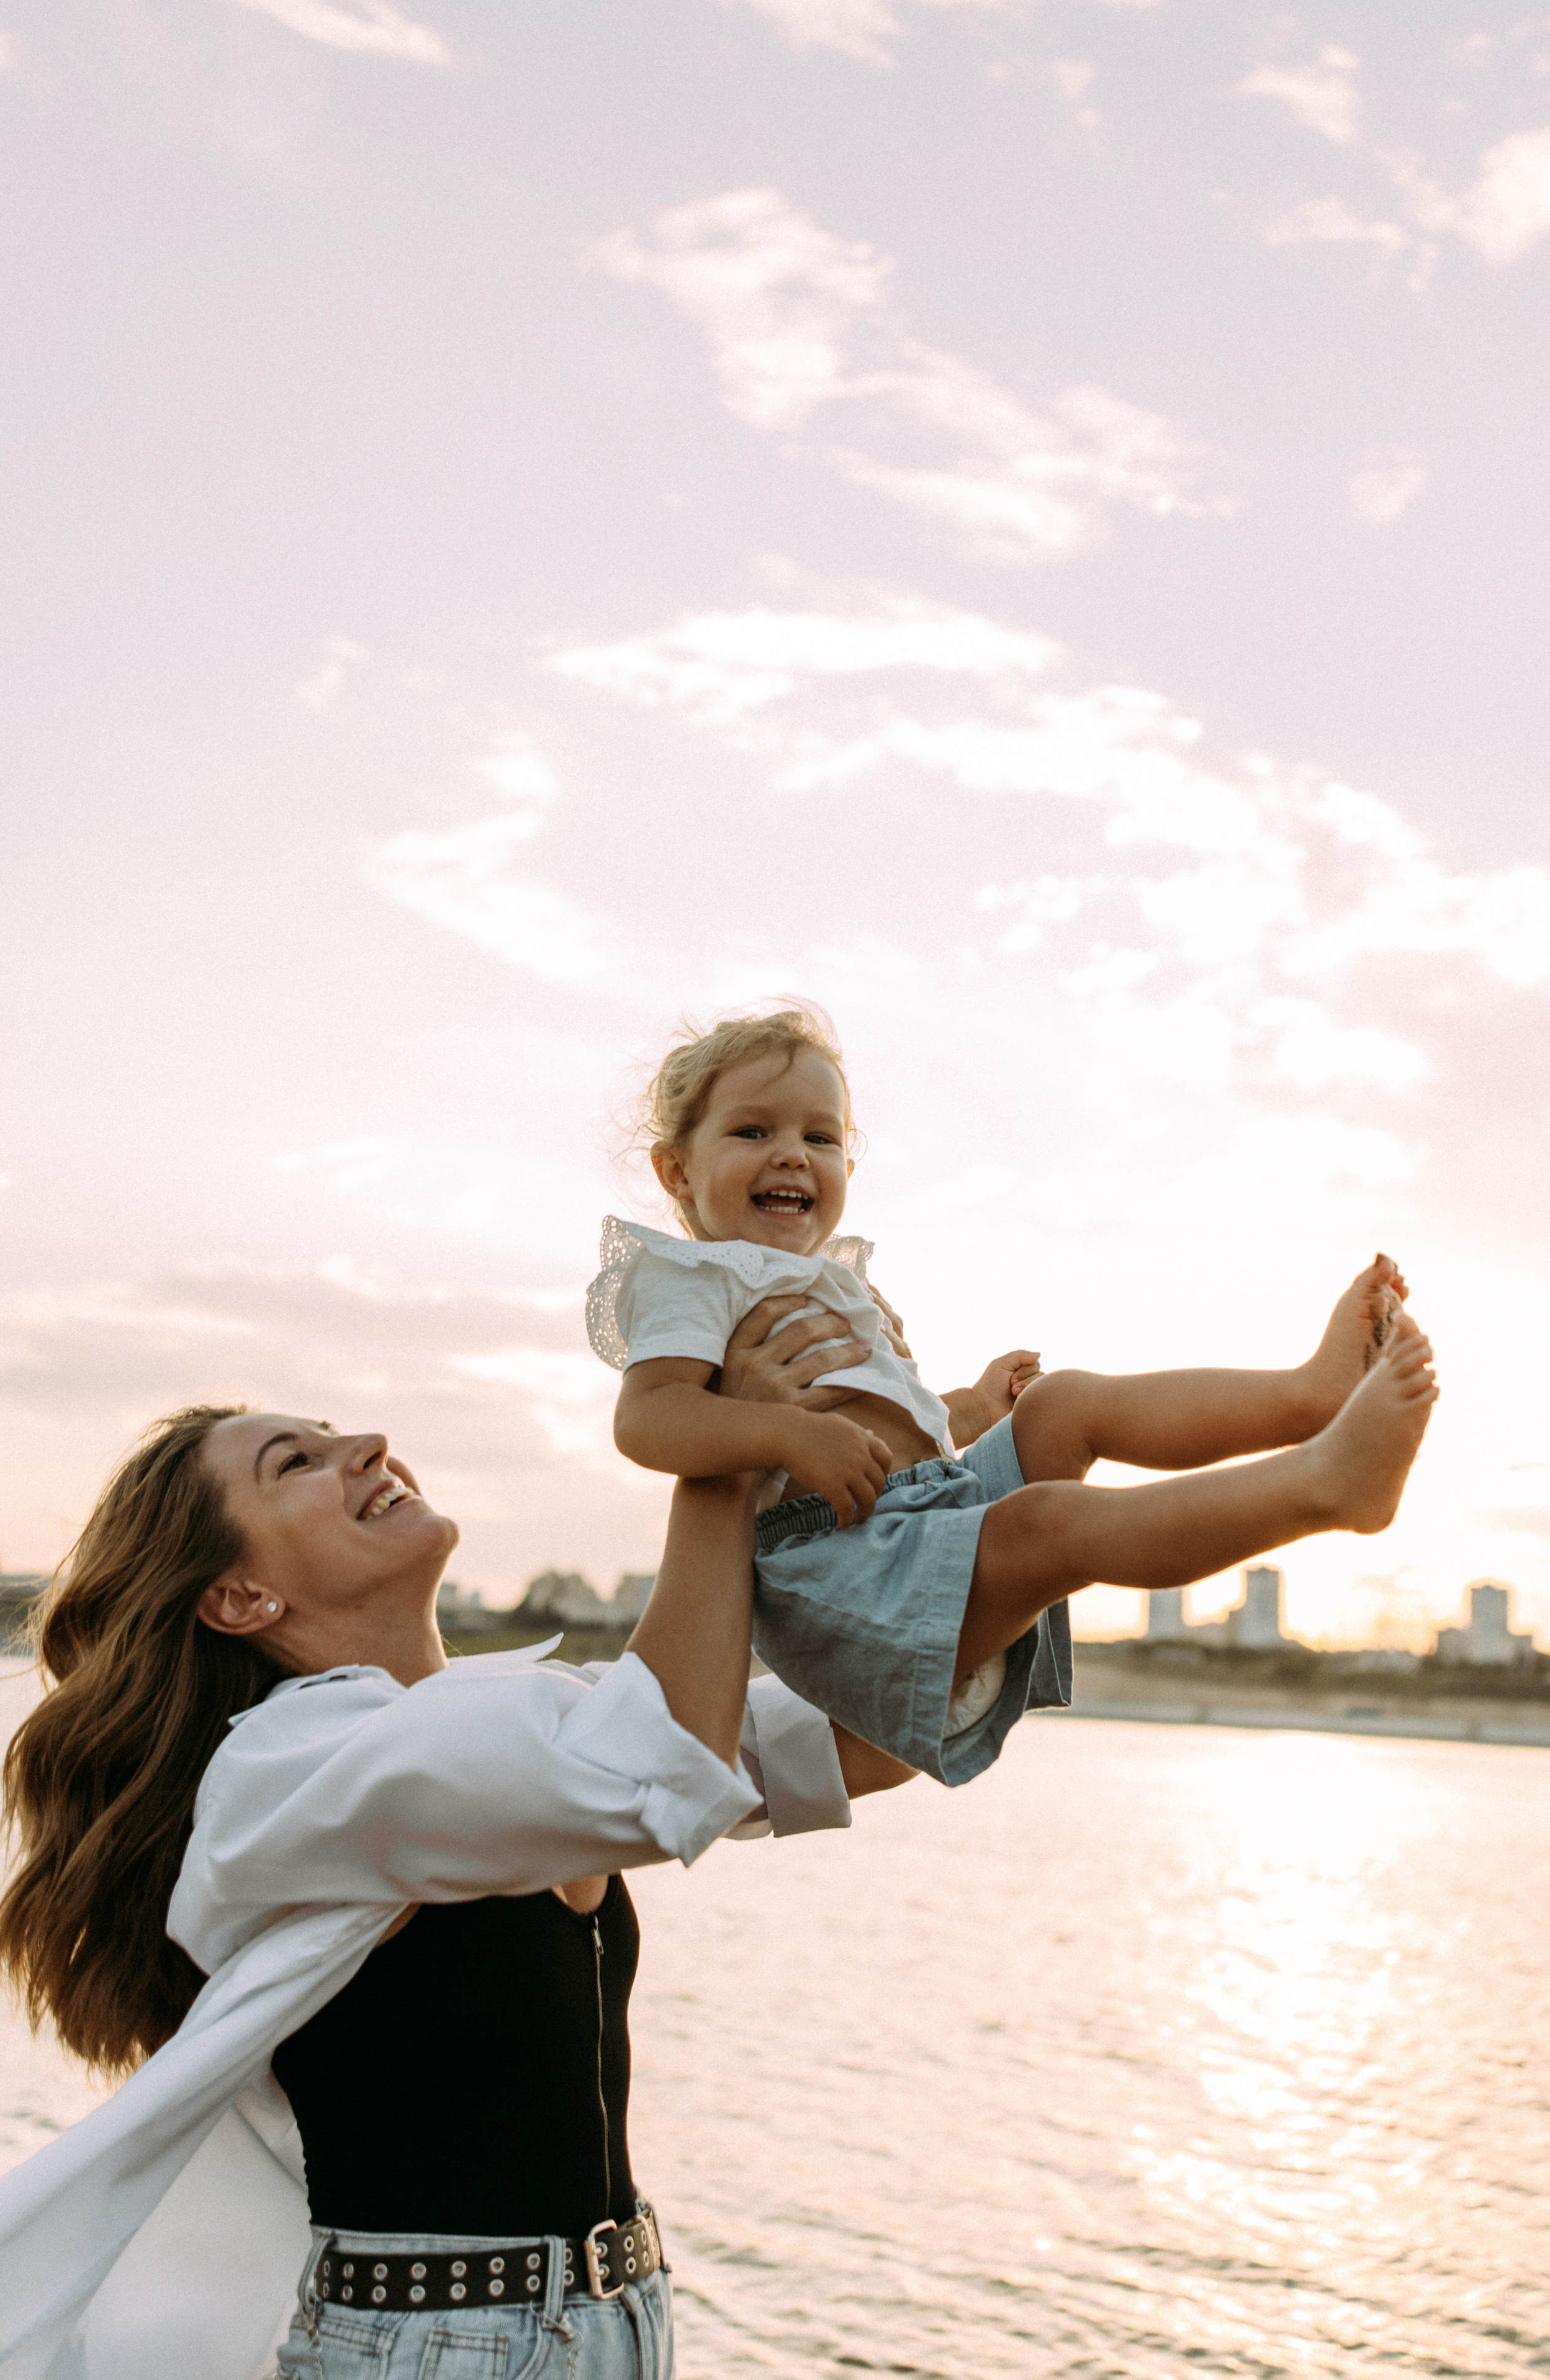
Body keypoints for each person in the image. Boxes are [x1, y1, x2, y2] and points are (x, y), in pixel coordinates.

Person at [0, 1303, 909, 2380]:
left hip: (619, 2325)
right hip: (436, 2346)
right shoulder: (281, 1773)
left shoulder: (521, 1719)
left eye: (336, 1431)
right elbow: (658, 1760)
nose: (368, 1445)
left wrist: (941, 1462)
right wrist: (717, 1450)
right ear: (241, 1596)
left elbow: (874, 1737)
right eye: (298, 1461)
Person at [589, 1003, 1440, 1787]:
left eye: (821, 1137)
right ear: (676, 1172)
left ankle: (1308, 1399)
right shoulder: (690, 1278)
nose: (792, 1154)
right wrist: (782, 1437)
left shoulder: (830, 1282)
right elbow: (651, 1418)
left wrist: (964, 1410)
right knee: (1049, 1524)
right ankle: (1327, 1488)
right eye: (752, 1130)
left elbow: (892, 1428)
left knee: (1062, 1404)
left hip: (924, 1514)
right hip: (840, 1576)